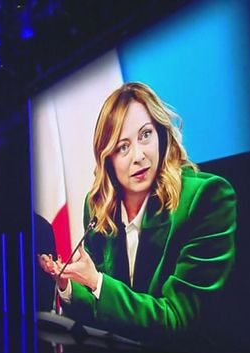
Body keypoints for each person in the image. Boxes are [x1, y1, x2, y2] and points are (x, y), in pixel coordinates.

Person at [38, 82, 237, 337]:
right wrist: (68, 285)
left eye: (145, 135)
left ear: (161, 134)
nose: (139, 156)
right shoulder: (99, 206)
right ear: (108, 158)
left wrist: (96, 281)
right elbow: (103, 310)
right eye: (123, 147)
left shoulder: (207, 198)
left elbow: (179, 320)